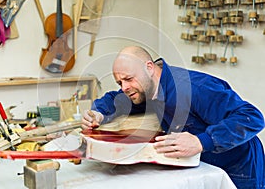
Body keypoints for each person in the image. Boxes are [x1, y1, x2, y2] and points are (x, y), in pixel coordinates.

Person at [82, 46, 265, 189]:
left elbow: (252, 117)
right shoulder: (148, 89)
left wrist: (202, 141)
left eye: (129, 79)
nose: (124, 87)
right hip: (205, 165)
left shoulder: (194, 88)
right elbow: (117, 99)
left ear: (149, 68)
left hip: (239, 166)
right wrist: (99, 112)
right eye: (120, 82)